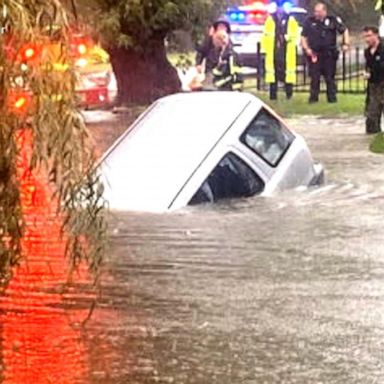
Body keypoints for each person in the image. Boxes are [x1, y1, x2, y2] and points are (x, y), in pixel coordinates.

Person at [301, 2, 350, 104]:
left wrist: (346, 43)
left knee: (330, 77)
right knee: (315, 77)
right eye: (315, 12)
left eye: (319, 12)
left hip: (329, 54)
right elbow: (303, 36)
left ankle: (332, 98)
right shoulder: (309, 21)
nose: (317, 14)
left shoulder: (332, 20)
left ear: (324, 11)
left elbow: (344, 30)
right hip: (315, 54)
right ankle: (313, 99)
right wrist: (307, 49)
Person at [261, 1, 300, 100]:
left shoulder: (291, 21)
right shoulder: (270, 20)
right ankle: (273, 96)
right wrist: (263, 49)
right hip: (273, 51)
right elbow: (265, 35)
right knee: (272, 74)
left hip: (287, 51)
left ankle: (289, 95)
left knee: (288, 74)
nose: (280, 11)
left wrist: (286, 38)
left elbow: (295, 35)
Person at [363, 26, 384, 134]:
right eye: (365, 37)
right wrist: (366, 72)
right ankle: (374, 132)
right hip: (374, 84)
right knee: (372, 112)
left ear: (376, 35)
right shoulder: (367, 52)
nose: (367, 39)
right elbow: (368, 66)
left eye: (369, 36)